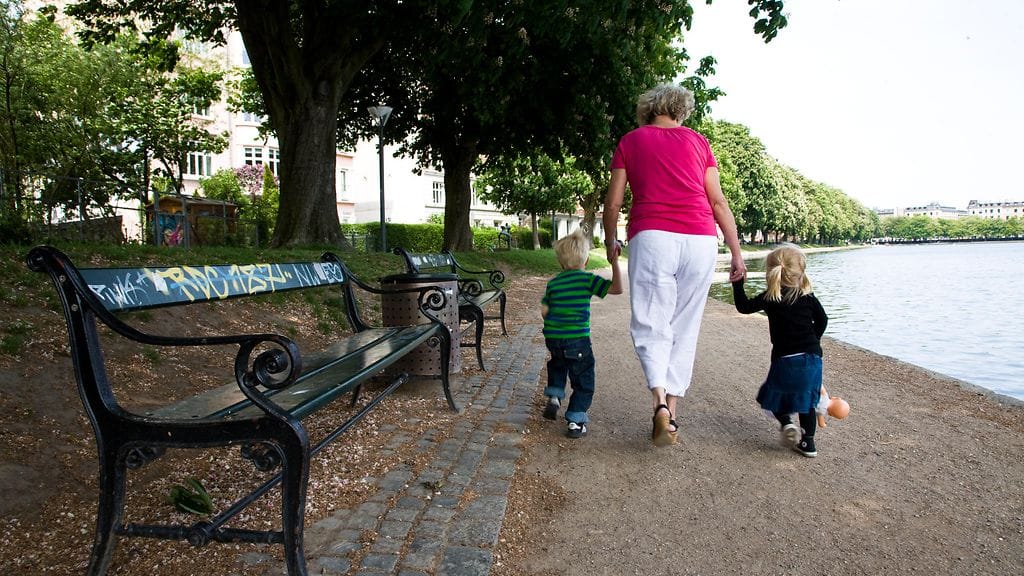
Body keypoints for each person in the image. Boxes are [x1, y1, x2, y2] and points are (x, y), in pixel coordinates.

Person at [603, 83, 746, 447]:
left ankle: (658, 402)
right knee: (685, 325)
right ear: (681, 110)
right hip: (700, 239)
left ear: (648, 109)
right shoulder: (699, 142)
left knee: (651, 320)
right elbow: (718, 202)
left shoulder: (631, 141)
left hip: (652, 237)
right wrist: (736, 252)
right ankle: (673, 414)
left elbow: (613, 203)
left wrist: (610, 241)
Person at [732, 243, 828, 457]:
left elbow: (743, 307)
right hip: (812, 359)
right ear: (800, 272)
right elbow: (823, 320)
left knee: (771, 396)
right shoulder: (808, 297)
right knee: (808, 402)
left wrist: (738, 283)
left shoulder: (771, 297)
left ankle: (786, 423)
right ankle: (808, 443)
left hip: (785, 360)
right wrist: (814, 341)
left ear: (771, 271)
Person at [541, 228, 624, 438]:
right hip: (577, 340)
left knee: (558, 363)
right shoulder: (587, 280)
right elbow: (616, 289)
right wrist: (614, 262)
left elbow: (544, 311)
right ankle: (575, 422)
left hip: (553, 338)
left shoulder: (554, 283)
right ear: (586, 260)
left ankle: (555, 394)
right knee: (583, 379)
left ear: (561, 262)